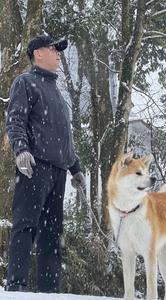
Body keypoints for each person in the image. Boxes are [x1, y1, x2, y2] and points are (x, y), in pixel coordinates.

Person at [5, 35, 85, 293]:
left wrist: (76, 167)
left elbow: (63, 136)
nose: (59, 54)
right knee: (25, 226)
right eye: (54, 49)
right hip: (34, 167)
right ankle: (16, 289)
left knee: (51, 235)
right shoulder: (25, 83)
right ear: (38, 53)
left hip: (58, 172)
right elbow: (15, 119)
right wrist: (20, 150)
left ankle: (50, 293)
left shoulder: (59, 96)